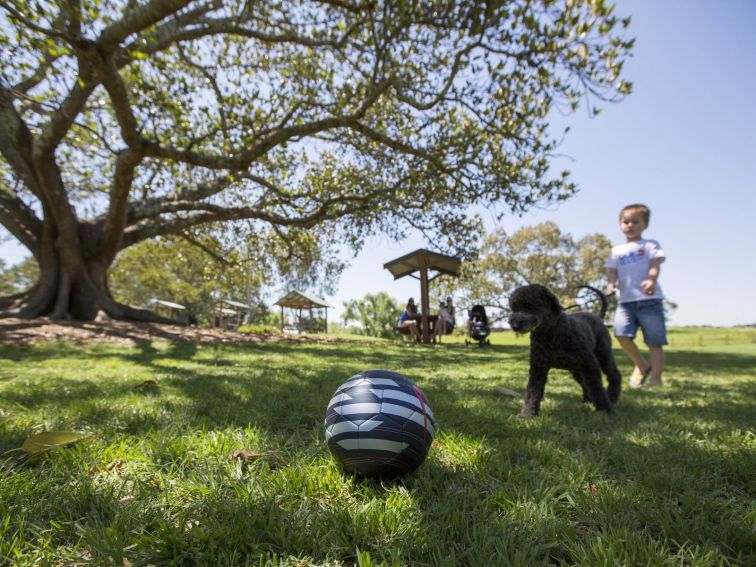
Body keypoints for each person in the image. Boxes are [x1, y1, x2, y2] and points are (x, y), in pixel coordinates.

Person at [605, 204, 667, 388]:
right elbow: (612, 272)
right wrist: (611, 284)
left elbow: (655, 264)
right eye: (626, 221)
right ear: (620, 224)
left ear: (645, 224)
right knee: (621, 334)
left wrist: (651, 279)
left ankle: (656, 379)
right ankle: (641, 364)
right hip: (626, 302)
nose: (630, 225)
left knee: (654, 342)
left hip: (650, 301)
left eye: (635, 221)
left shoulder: (650, 244)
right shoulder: (616, 251)